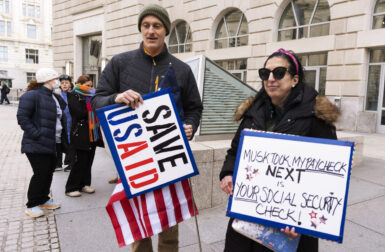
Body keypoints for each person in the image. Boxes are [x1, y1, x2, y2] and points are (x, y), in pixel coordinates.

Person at [91, 4, 203, 252]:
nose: (151, 31)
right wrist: (116, 97)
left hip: (169, 156)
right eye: (146, 25)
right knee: (139, 228)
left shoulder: (182, 69)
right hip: (134, 158)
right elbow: (97, 99)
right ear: (141, 29)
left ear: (166, 31)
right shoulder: (121, 63)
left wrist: (190, 126)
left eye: (157, 26)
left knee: (169, 224)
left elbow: (195, 107)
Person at [219, 49, 339, 252]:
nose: (271, 79)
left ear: (294, 79)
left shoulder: (316, 116)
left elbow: (327, 176)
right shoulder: (253, 112)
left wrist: (302, 221)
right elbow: (234, 151)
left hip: (290, 228)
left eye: (279, 72)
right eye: (265, 74)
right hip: (247, 223)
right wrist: (228, 173)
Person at [17, 68, 68, 218]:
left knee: (48, 172)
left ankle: (43, 199)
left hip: (53, 142)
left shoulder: (54, 97)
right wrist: (36, 134)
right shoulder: (32, 96)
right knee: (40, 173)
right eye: (56, 78)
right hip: (37, 143)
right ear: (48, 80)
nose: (58, 80)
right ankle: (32, 204)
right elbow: (22, 118)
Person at [65, 75, 103, 197]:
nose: (90, 87)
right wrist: (93, 108)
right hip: (80, 132)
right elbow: (79, 113)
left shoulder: (93, 96)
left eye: (91, 85)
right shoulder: (74, 95)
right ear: (80, 84)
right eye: (88, 85)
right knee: (80, 160)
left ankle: (85, 184)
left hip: (93, 132)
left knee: (89, 160)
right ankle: (71, 187)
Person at [58, 74, 75, 172]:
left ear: (70, 84)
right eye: (62, 83)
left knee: (72, 143)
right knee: (66, 143)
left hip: (73, 123)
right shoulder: (58, 96)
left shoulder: (74, 95)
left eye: (66, 83)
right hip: (63, 124)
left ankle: (72, 163)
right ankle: (69, 162)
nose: (64, 85)